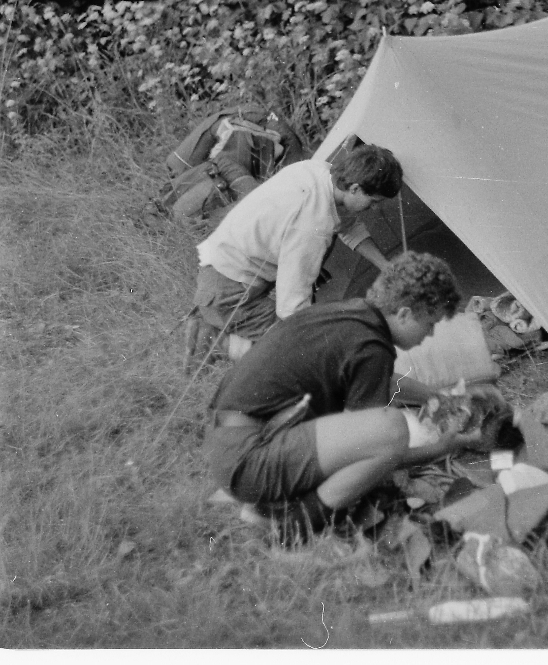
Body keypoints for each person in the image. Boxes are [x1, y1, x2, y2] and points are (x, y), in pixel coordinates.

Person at [203, 252, 486, 543]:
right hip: (248, 462)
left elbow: (379, 381)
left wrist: (433, 396)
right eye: (430, 323)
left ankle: (269, 504)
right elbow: (374, 445)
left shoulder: (351, 315)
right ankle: (295, 525)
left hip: (227, 445)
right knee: (392, 428)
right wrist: (439, 448)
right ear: (404, 314)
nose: (430, 334)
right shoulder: (371, 347)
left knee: (377, 433)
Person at [187, 144, 402, 365]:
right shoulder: (312, 224)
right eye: (374, 201)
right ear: (355, 188)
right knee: (299, 353)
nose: (375, 208)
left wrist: (386, 266)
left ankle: (212, 327)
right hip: (229, 291)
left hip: (224, 268)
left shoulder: (320, 171)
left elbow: (347, 224)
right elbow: (291, 306)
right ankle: (216, 341)